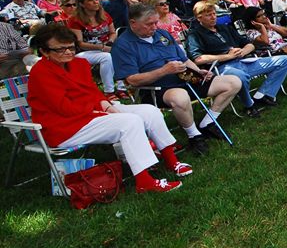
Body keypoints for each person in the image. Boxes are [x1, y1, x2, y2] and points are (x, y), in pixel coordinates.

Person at [27, 23, 185, 193]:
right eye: (60, 49)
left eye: (71, 47)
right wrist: (101, 110)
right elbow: (63, 107)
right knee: (129, 122)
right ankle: (144, 181)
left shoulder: (79, 64)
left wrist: (105, 104)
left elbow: (93, 91)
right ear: (44, 51)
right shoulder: (40, 73)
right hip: (65, 127)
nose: (68, 52)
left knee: (149, 111)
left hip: (89, 114)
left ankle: (171, 160)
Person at [112, 3, 243, 153]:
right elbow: (132, 80)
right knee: (180, 97)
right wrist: (163, 71)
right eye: (149, 24)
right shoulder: (123, 45)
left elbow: (184, 60)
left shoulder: (162, 34)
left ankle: (208, 123)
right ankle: (194, 136)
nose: (155, 27)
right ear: (133, 23)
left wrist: (199, 71)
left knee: (233, 82)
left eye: (156, 22)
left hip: (187, 77)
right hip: (159, 88)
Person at [185, 1, 287, 116]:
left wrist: (243, 51)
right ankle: (249, 105)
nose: (213, 17)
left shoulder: (224, 28)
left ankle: (263, 95)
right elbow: (198, 59)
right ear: (198, 18)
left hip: (243, 60)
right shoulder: (195, 35)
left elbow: (249, 44)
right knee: (241, 76)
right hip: (222, 68)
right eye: (208, 15)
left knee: (285, 60)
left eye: (214, 14)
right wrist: (228, 56)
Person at [66, 0, 121, 97]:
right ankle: (109, 91)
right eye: (90, 0)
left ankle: (121, 87)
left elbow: (113, 33)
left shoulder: (104, 15)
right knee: (106, 57)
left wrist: (110, 42)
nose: (96, 2)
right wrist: (101, 47)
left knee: (122, 51)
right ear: (82, 4)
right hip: (84, 52)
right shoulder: (75, 20)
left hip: (106, 47)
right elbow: (80, 43)